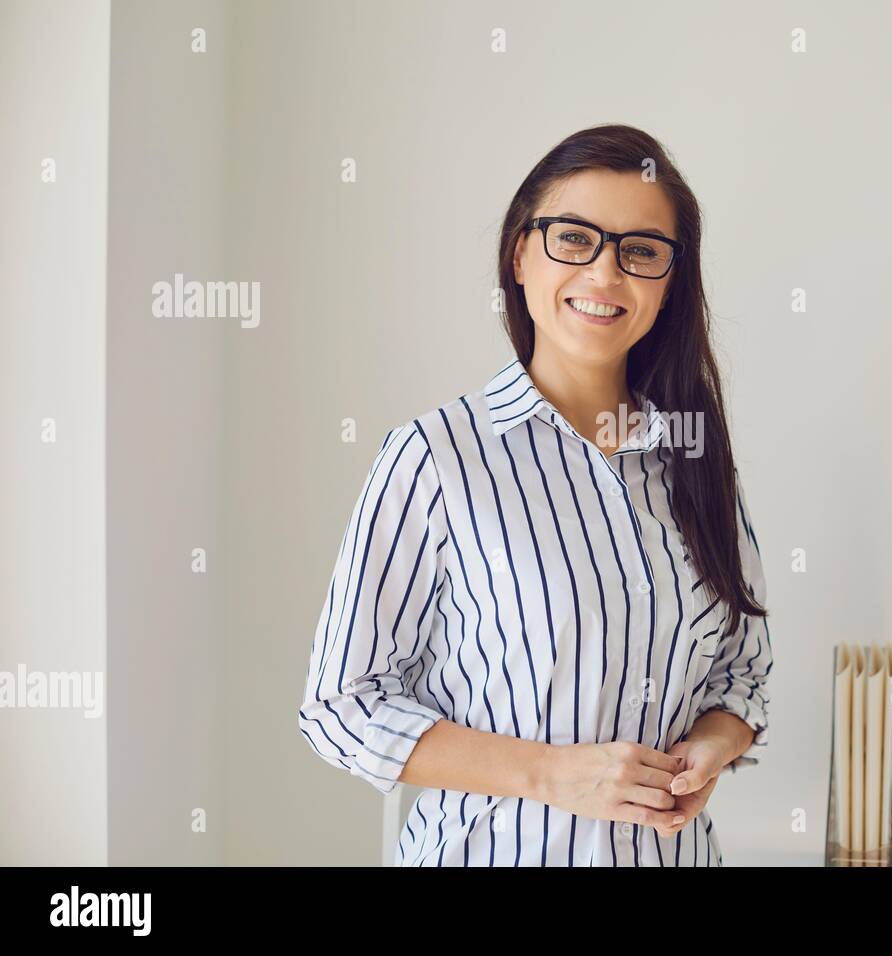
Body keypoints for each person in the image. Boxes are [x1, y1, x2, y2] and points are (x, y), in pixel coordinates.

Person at [298, 123, 773, 866]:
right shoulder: (434, 458)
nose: (606, 274)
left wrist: (708, 751)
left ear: (669, 283)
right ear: (520, 254)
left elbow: (744, 673)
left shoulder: (695, 458)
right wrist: (556, 776)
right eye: (574, 238)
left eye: (640, 251)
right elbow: (342, 709)